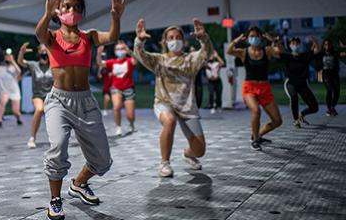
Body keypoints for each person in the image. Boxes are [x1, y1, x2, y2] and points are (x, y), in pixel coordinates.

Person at [36, 0, 125, 219]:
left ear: (82, 12)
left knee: (103, 159)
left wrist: (115, 15)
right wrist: (47, 14)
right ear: (58, 11)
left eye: (76, 7)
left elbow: (112, 37)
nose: (72, 10)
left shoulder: (89, 36)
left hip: (85, 102)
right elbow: (38, 33)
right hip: (59, 102)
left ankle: (78, 183)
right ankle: (55, 200)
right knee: (58, 149)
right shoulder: (52, 37)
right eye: (66, 6)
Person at [133, 18, 212, 178]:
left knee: (200, 150)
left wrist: (203, 38)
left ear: (183, 40)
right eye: (170, 38)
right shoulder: (159, 60)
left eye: (178, 37)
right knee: (169, 121)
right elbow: (140, 55)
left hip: (187, 107)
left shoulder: (191, 60)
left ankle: (188, 154)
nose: (174, 40)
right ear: (165, 41)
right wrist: (139, 41)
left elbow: (206, 53)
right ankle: (164, 163)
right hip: (164, 103)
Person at [227, 28, 282, 151]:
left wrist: (273, 40)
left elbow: (279, 52)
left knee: (277, 121)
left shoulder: (267, 50)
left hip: (265, 88)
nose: (255, 38)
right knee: (256, 111)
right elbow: (229, 51)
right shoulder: (244, 52)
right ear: (247, 39)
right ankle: (256, 140)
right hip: (249, 88)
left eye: (257, 36)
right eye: (252, 36)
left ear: (261, 38)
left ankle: (257, 135)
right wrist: (236, 40)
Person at [17, 42, 54, 148]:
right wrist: (21, 52)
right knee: (39, 109)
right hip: (38, 95)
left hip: (51, 96)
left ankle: (55, 139)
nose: (44, 51)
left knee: (53, 116)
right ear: (38, 52)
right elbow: (20, 62)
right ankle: (32, 138)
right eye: (42, 50)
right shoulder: (34, 65)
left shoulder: (53, 65)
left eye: (46, 49)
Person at [97, 42, 137, 136]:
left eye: (122, 49)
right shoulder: (112, 62)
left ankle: (131, 123)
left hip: (128, 89)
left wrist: (129, 52)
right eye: (118, 49)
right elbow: (100, 63)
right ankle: (118, 127)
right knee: (116, 107)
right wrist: (99, 54)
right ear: (115, 51)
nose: (120, 51)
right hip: (116, 88)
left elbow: (136, 60)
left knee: (130, 115)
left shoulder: (129, 61)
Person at [279, 37, 320, 127]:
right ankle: (296, 120)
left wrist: (315, 41)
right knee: (294, 98)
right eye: (293, 43)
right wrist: (275, 41)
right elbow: (278, 51)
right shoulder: (287, 56)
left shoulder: (304, 56)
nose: (295, 45)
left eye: (297, 43)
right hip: (290, 83)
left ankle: (302, 114)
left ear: (300, 45)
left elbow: (317, 50)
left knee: (314, 107)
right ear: (290, 45)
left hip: (302, 84)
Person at [0, 50, 23, 127]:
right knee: (2, 102)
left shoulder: (14, 68)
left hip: (14, 91)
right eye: (7, 57)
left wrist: (13, 61)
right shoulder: (1, 68)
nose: (8, 58)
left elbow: (19, 71)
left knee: (15, 111)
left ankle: (18, 119)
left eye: (9, 57)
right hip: (4, 91)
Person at [318, 39, 346, 116]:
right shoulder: (321, 53)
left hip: (334, 74)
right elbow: (313, 55)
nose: (327, 46)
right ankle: (329, 109)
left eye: (329, 44)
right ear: (323, 45)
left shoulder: (335, 53)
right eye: (326, 44)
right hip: (325, 74)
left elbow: (344, 54)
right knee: (329, 90)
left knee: (337, 92)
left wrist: (343, 46)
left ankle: (332, 107)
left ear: (331, 45)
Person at [97, 49, 113, 117]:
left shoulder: (111, 66)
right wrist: (100, 68)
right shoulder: (104, 71)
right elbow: (99, 76)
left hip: (114, 87)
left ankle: (114, 109)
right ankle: (105, 110)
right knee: (107, 99)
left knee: (115, 101)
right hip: (107, 88)